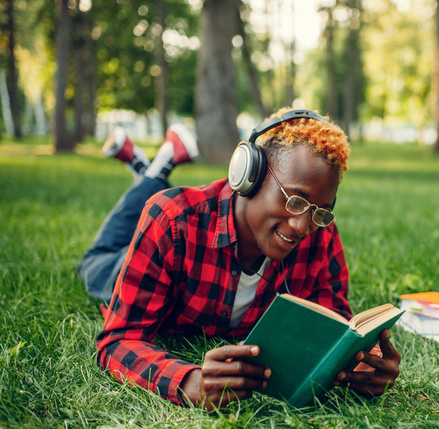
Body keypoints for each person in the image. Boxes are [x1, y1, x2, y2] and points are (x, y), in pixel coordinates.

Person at [79, 109, 401, 410]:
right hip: (117, 268)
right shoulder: (171, 221)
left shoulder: (320, 234)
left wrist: (359, 362)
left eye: (319, 211)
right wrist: (190, 382)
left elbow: (334, 327)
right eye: (294, 200)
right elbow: (117, 341)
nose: (302, 226)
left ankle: (151, 166)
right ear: (249, 175)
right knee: (94, 262)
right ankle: (154, 170)